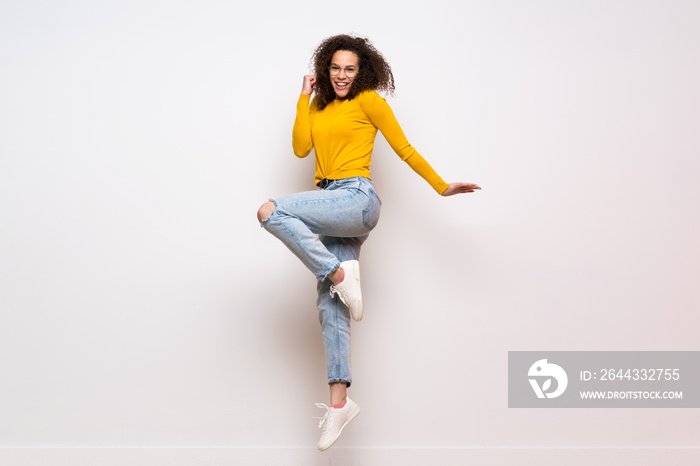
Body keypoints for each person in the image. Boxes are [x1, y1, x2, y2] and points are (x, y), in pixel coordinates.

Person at [256, 34, 480, 451]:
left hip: (357, 198)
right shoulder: (319, 104)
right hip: (330, 202)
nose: (342, 76)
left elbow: (404, 148)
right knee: (330, 304)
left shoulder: (370, 102)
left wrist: (440, 186)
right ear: (326, 69)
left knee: (272, 211)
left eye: (350, 69)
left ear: (362, 72)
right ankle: (340, 404)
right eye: (336, 68)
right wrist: (303, 99)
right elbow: (302, 148)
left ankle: (338, 272)